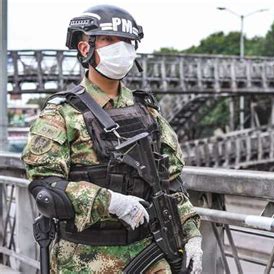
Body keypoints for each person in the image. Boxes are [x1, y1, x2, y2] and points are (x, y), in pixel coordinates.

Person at [21, 4, 203, 273]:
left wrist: (192, 235)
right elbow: (45, 188)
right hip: (83, 259)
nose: (121, 47)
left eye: (127, 41)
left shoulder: (148, 113)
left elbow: (173, 184)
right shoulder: (62, 113)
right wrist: (110, 202)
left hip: (150, 253)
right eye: (108, 39)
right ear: (86, 49)